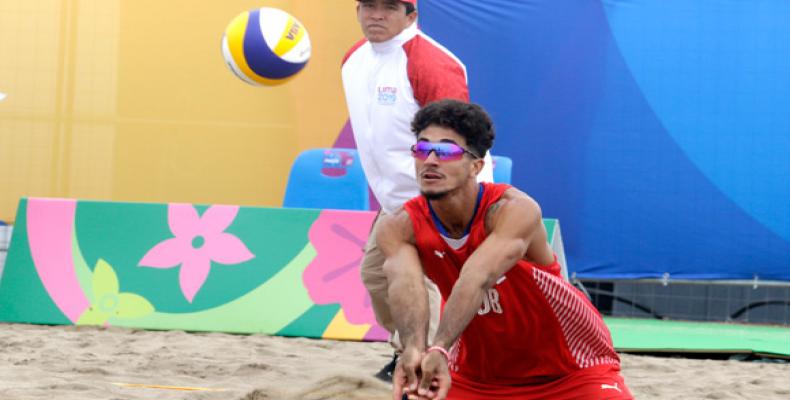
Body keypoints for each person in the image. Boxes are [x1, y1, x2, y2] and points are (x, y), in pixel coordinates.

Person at [378, 99, 633, 399]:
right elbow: (405, 286)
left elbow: (477, 277)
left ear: (476, 165)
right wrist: (414, 349)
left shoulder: (513, 211)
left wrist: (439, 347)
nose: (431, 159)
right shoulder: (398, 226)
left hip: (570, 369)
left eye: (446, 150)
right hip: (479, 376)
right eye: (422, 149)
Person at [341, 0, 494, 381]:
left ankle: (421, 360)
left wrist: (447, 204)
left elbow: (456, 140)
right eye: (369, 6)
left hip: (443, 193)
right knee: (377, 276)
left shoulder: (430, 62)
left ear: (412, 15)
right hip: (395, 197)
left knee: (420, 280)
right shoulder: (352, 60)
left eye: (389, 7)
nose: (376, 15)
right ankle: (414, 349)